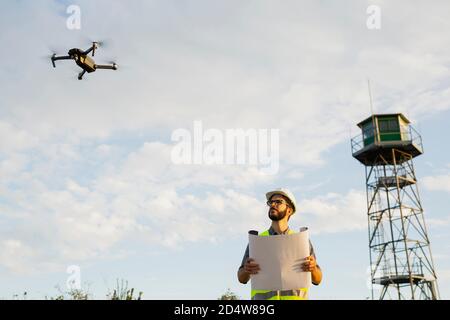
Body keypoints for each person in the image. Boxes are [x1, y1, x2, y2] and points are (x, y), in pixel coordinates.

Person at [237, 188, 322, 300]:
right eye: (271, 202)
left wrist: (313, 268)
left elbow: (317, 279)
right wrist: (247, 270)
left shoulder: (301, 240)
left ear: (289, 210)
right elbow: (241, 278)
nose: (273, 204)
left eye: (278, 202)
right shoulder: (257, 240)